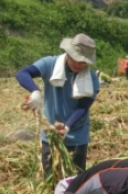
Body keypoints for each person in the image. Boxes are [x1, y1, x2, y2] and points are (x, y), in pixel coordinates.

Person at [16, 33, 100, 177]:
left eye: (83, 62)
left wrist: (67, 127)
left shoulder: (91, 78)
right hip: (50, 134)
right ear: (68, 52)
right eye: (75, 59)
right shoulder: (50, 64)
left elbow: (83, 108)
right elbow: (23, 73)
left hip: (76, 137)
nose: (78, 64)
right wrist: (35, 91)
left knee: (74, 182)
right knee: (50, 177)